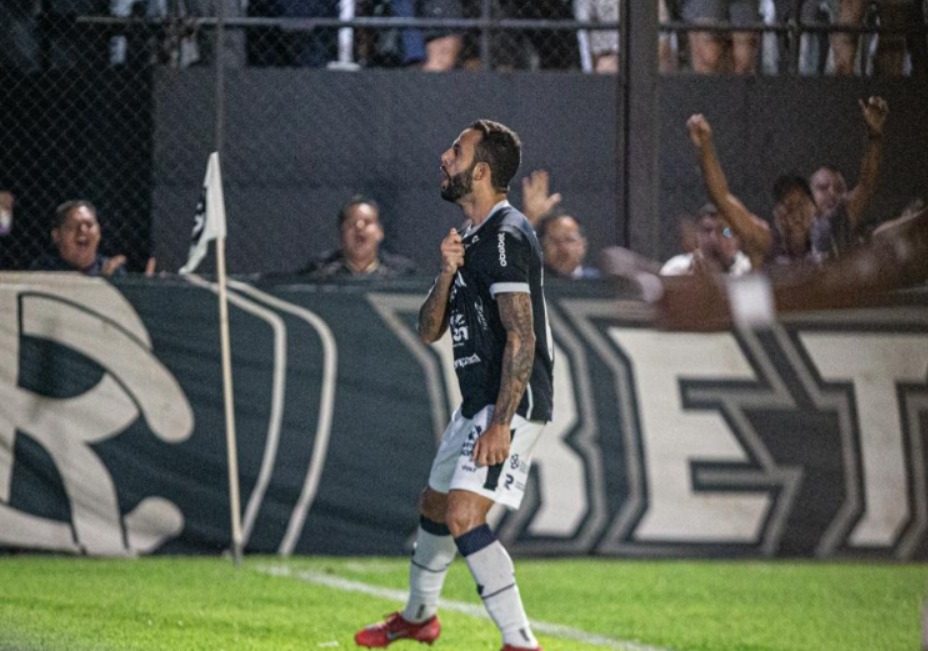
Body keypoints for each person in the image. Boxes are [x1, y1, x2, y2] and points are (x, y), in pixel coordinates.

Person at [354, 119, 553, 651]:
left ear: (481, 172)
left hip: (511, 403)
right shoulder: (470, 238)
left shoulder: (507, 235)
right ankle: (419, 618)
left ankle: (521, 641)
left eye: (457, 151)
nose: (445, 157)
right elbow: (428, 330)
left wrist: (501, 424)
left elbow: (523, 337)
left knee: (464, 515)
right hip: (476, 403)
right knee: (435, 506)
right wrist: (445, 273)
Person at [686, 96, 889, 269]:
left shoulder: (831, 233)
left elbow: (867, 185)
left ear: (814, 211)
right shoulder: (765, 242)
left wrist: (874, 136)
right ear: (778, 216)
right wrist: (705, 147)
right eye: (788, 208)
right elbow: (721, 197)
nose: (795, 216)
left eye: (801, 206)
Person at [299, 195, 417, 278]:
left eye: (367, 222)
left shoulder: (402, 274)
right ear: (341, 232)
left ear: (380, 232)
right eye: (351, 222)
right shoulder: (320, 272)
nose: (359, 227)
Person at [30, 200, 127, 277]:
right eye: (73, 225)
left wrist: (111, 282)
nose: (83, 230)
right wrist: (100, 281)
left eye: (89, 225)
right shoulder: (44, 270)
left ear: (99, 233)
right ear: (56, 235)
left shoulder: (112, 271)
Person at [660, 202, 752, 276]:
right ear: (696, 236)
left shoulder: (750, 272)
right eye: (707, 230)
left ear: (738, 240)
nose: (714, 239)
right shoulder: (676, 271)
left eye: (724, 232)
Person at [536, 206, 601, 279]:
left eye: (569, 240)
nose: (562, 248)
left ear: (583, 244)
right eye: (554, 241)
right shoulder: (534, 281)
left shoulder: (597, 282)